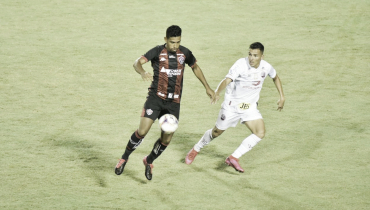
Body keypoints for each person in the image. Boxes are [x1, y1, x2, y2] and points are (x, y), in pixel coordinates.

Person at [115, 25, 215, 180]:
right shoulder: (157, 51)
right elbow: (137, 62)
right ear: (165, 40)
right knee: (142, 132)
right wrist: (142, 72)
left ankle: (149, 161)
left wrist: (207, 87)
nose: (175, 46)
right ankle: (124, 158)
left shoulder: (185, 53)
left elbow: (195, 67)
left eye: (177, 42)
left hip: (173, 104)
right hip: (155, 99)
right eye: (172, 42)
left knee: (166, 139)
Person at [185, 42, 285, 172]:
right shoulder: (240, 64)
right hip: (232, 106)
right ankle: (196, 149)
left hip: (248, 107)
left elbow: (275, 77)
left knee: (260, 132)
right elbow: (227, 80)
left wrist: (282, 96)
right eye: (250, 54)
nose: (251, 58)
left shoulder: (266, 67)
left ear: (262, 56)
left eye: (255, 55)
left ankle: (233, 157)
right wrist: (217, 92)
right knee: (216, 132)